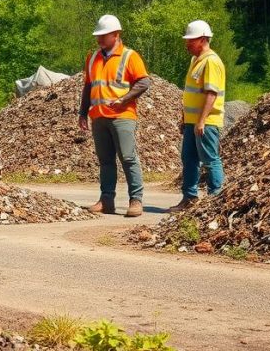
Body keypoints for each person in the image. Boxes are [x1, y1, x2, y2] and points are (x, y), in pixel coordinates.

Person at [78, 15, 151, 217]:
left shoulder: (129, 56)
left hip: (122, 115)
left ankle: (136, 200)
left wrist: (125, 99)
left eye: (103, 35)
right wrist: (83, 113)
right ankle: (106, 200)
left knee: (128, 157)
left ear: (116, 35)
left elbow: (144, 83)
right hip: (99, 116)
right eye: (98, 35)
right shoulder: (93, 58)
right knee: (105, 161)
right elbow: (88, 87)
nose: (99, 39)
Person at [169, 20, 226, 213]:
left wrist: (201, 120)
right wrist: (186, 118)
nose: (187, 44)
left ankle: (216, 200)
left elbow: (211, 93)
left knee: (210, 159)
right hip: (193, 122)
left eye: (191, 40)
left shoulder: (211, 61)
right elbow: (192, 92)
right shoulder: (196, 60)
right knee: (189, 159)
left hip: (206, 122)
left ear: (202, 39)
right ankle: (189, 198)